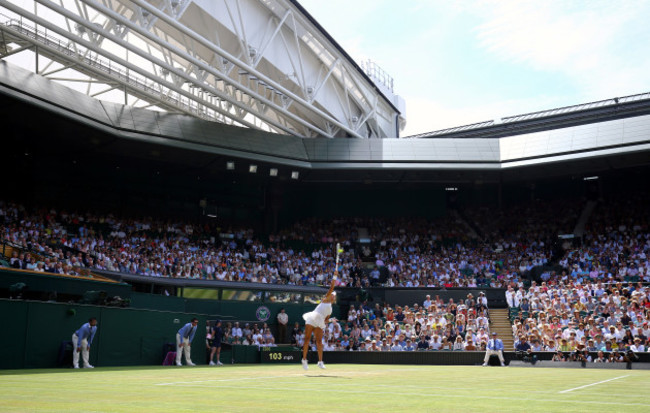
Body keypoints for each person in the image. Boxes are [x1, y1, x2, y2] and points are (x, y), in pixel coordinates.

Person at [301, 278, 337, 370]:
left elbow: (325, 321)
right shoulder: (325, 300)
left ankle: (320, 362)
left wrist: (331, 320)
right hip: (312, 318)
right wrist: (334, 277)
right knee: (307, 339)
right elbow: (331, 287)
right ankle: (304, 360)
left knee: (319, 342)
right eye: (331, 295)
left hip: (320, 321)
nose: (332, 296)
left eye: (333, 295)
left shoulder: (330, 309)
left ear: (334, 298)